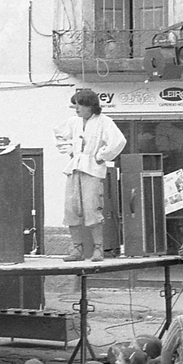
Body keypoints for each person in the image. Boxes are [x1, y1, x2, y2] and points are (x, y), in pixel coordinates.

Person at [53, 88, 126, 262]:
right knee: (71, 208)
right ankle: (77, 249)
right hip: (74, 168)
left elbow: (118, 141)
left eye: (79, 105)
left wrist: (101, 156)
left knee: (92, 208)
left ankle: (98, 249)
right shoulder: (73, 122)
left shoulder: (104, 121)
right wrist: (70, 150)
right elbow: (59, 134)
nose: (76, 109)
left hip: (92, 169)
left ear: (89, 106)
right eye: (75, 105)